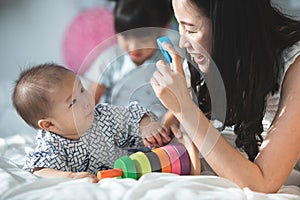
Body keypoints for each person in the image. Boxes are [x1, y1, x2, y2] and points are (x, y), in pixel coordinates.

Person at [151, 0, 300, 193]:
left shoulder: (293, 65)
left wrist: (185, 108)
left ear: (231, 27)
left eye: (191, 29)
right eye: (178, 24)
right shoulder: (207, 59)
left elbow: (262, 184)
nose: (182, 42)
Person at [12, 63, 171, 182]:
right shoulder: (53, 144)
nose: (86, 101)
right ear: (50, 125)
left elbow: (134, 114)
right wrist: (71, 176)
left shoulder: (102, 115)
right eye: (73, 102)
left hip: (135, 164)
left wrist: (146, 125)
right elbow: (39, 170)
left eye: (81, 89)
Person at [84, 0, 173, 110]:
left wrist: (165, 125)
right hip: (115, 124)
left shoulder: (168, 62)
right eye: (125, 38)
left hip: (156, 124)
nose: (133, 47)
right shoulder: (109, 59)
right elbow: (90, 100)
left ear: (163, 29)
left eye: (144, 40)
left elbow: (179, 104)